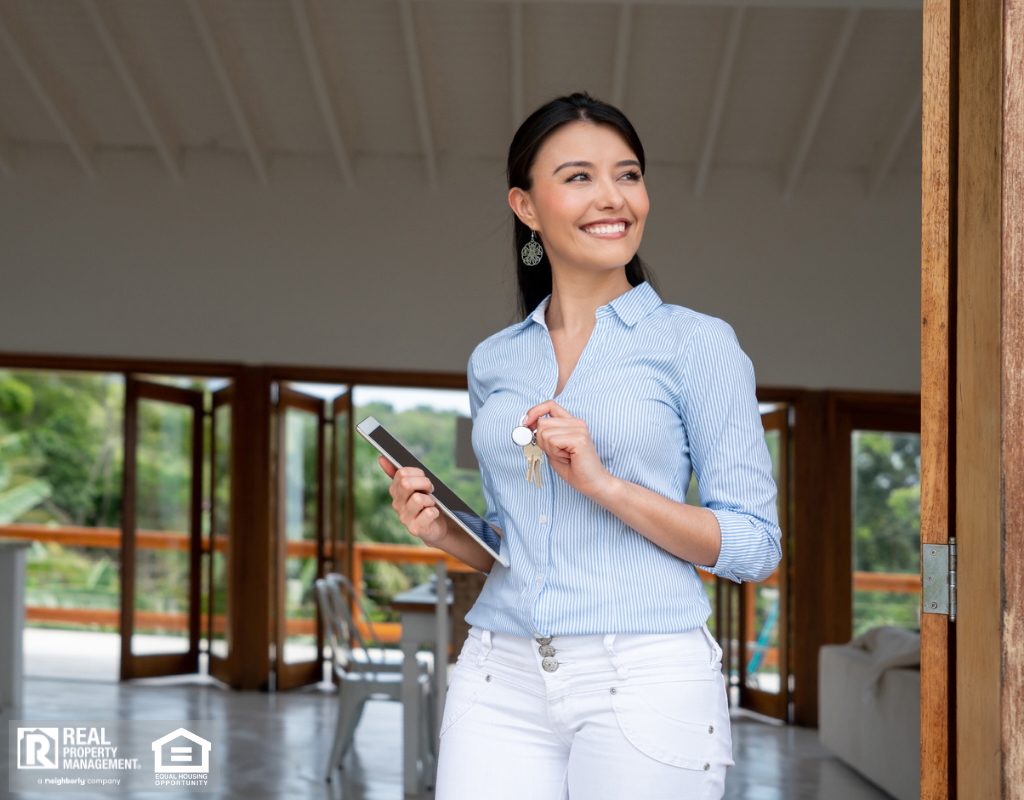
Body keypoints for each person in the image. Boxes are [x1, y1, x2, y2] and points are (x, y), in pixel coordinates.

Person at [377, 92, 782, 800]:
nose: (613, 198)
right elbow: (515, 543)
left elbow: (753, 546)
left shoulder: (698, 345)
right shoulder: (494, 361)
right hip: (498, 673)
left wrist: (605, 484)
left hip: (646, 677)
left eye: (628, 175)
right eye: (578, 177)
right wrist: (448, 530)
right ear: (526, 207)